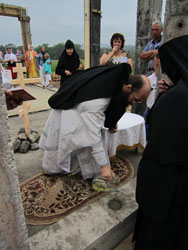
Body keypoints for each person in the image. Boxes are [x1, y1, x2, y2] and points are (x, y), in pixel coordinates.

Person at [39, 63, 151, 192]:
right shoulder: (98, 101)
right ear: (129, 87)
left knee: (88, 139)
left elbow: (115, 102)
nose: (134, 103)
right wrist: (105, 167)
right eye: (136, 99)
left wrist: (111, 122)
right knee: (83, 139)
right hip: (67, 112)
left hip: (81, 108)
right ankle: (62, 167)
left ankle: (85, 167)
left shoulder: (118, 80)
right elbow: (93, 136)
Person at [133, 35, 188, 250]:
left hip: (169, 182)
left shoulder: (178, 97)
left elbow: (157, 130)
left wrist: (165, 98)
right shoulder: (178, 91)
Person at [145, 55, 160, 139]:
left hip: (162, 110)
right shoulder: (149, 79)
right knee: (147, 128)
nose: (158, 68)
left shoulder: (169, 80)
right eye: (157, 65)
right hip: (150, 109)